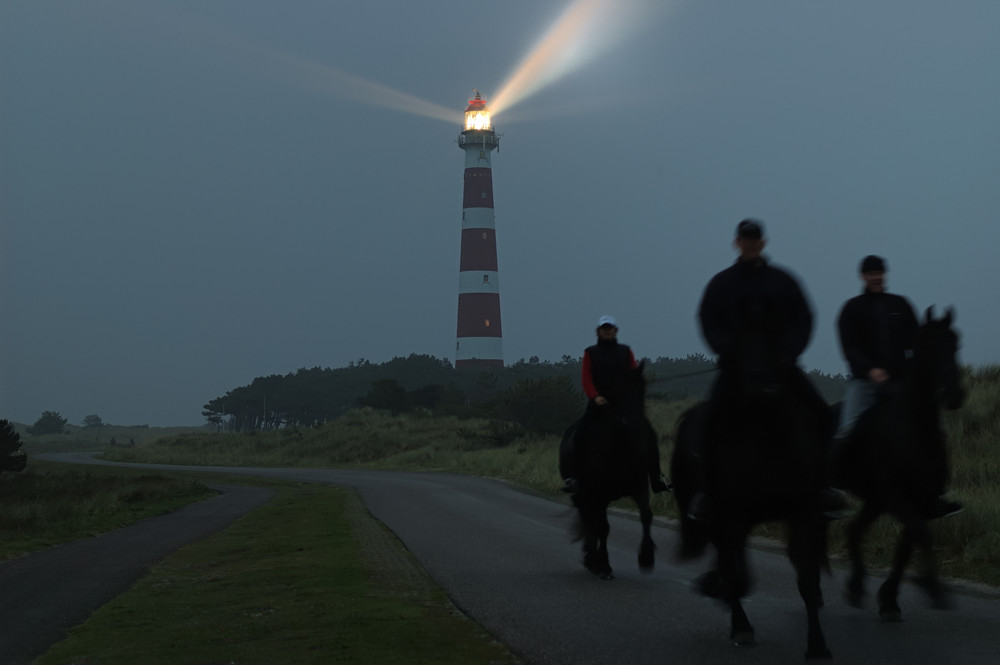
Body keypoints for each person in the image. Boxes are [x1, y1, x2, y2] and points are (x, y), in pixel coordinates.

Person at [688, 219, 847, 521]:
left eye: (755, 240)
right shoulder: (722, 283)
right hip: (737, 371)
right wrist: (729, 351)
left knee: (823, 415)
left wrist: (788, 353)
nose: (750, 244)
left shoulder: (783, 281)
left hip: (781, 369)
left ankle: (823, 487)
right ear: (737, 243)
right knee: (707, 422)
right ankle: (707, 493)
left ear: (763, 243)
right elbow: (708, 320)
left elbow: (804, 319)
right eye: (745, 240)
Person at [832, 255, 962, 517]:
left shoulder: (900, 305)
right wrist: (869, 370)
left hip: (900, 382)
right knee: (847, 429)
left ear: (885, 275)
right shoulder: (852, 309)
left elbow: (915, 343)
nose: (876, 277)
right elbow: (850, 348)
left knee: (936, 427)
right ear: (863, 277)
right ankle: (834, 487)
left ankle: (938, 491)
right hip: (864, 383)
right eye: (871, 274)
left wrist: (911, 371)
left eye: (879, 273)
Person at [560, 315, 671, 494]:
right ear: (598, 331)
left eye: (609, 328)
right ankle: (573, 478)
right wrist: (596, 397)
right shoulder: (590, 353)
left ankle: (656, 479)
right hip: (598, 405)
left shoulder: (626, 351)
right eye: (604, 328)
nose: (607, 331)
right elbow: (586, 380)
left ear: (615, 330)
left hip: (622, 406)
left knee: (648, 434)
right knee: (579, 434)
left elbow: (633, 376)